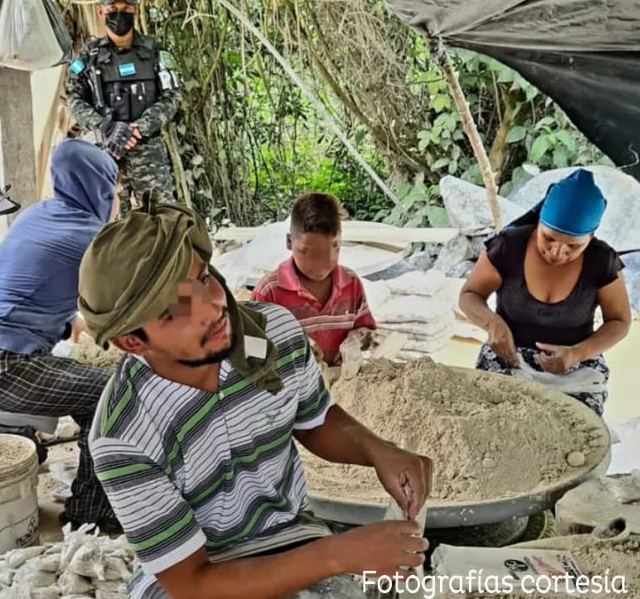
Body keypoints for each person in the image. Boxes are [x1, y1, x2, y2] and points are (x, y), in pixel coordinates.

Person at [80, 194, 432, 599]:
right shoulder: (121, 434)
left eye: (203, 278)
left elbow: (314, 419)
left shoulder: (273, 334)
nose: (212, 305)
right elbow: (192, 585)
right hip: (200, 577)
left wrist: (378, 450)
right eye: (174, 310)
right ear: (131, 341)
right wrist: (339, 555)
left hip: (293, 539)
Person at [0, 140, 121, 531]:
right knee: (114, 393)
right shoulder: (93, 239)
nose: (117, 198)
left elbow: (34, 287)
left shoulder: (38, 214)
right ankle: (93, 512)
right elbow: (126, 310)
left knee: (73, 377)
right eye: (115, 188)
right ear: (100, 189)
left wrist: (70, 322)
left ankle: (41, 452)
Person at [459, 169, 631, 416]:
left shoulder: (602, 261)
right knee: (493, 420)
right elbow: (469, 295)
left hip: (574, 365)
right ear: (539, 222)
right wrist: (492, 324)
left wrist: (576, 353)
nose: (558, 252)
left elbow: (620, 322)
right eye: (548, 238)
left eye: (574, 246)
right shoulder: (508, 247)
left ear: (590, 237)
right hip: (508, 357)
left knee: (574, 430)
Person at [66, 0, 181, 208]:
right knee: (113, 226)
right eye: (113, 9)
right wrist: (105, 126)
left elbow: (172, 95)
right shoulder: (89, 56)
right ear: (101, 12)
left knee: (162, 220)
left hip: (148, 153)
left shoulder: (154, 51)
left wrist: (141, 127)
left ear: (135, 11)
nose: (119, 14)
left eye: (126, 9)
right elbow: (74, 98)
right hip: (107, 150)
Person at [252, 192, 376, 366]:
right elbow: (252, 349)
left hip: (341, 384)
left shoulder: (352, 284)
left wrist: (360, 337)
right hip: (293, 389)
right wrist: (295, 349)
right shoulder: (269, 292)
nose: (320, 264)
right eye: (306, 252)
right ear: (289, 242)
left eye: (333, 249)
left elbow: (365, 329)